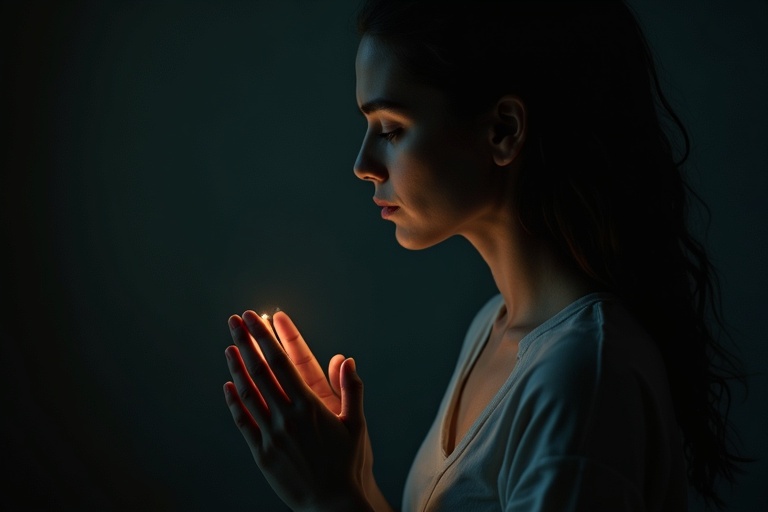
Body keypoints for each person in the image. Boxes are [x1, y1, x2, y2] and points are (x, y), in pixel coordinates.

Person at [222, 1, 748, 510]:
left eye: (391, 129)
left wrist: (329, 500)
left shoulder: (582, 379)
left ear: (503, 130)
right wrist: (350, 482)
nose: (363, 164)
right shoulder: (491, 329)